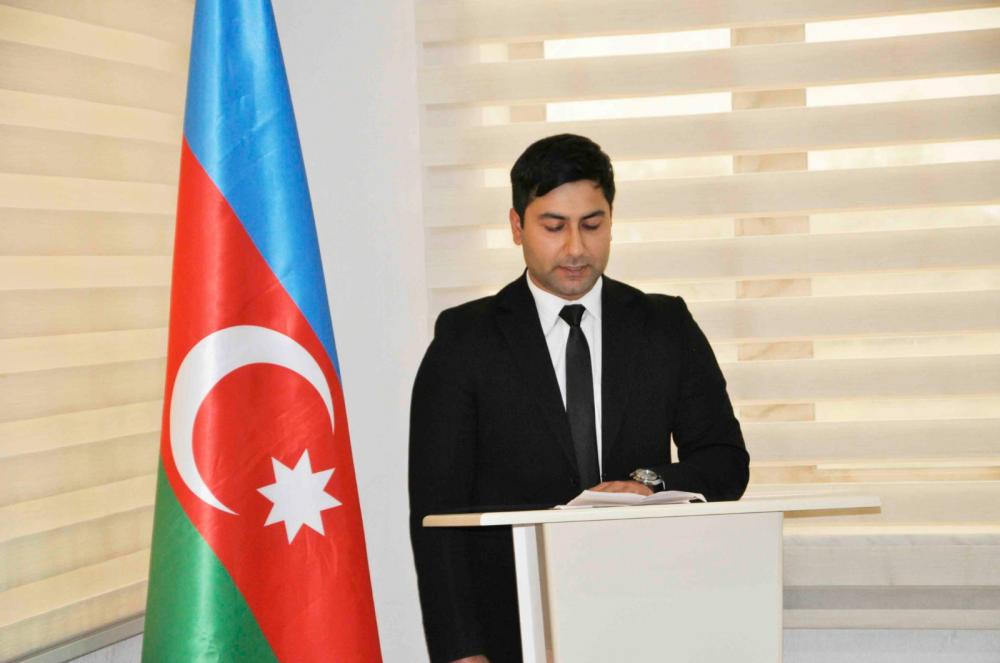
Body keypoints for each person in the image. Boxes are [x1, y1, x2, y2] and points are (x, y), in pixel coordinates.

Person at [409, 134, 749, 663]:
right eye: (554, 226)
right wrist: (462, 652)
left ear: (611, 220)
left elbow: (726, 462)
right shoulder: (465, 339)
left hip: (651, 615)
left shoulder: (664, 325)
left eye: (592, 224)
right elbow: (436, 513)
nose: (575, 248)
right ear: (517, 226)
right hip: (512, 625)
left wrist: (649, 482)